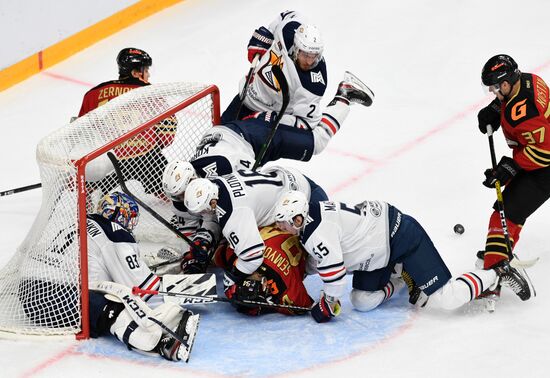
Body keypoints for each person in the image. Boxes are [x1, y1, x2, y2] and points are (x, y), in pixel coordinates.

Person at [273, 191, 531, 323]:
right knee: (361, 301)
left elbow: (334, 276)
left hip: (400, 237)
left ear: (297, 218)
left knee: (446, 299)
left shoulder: (316, 233)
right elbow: (320, 260)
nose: (280, 227)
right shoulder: (311, 218)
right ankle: (399, 275)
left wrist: (327, 305)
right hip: (377, 250)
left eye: (283, 222)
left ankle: (499, 271)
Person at [20, 191, 200, 361]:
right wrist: (180, 287)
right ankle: (161, 343)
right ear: (121, 215)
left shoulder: (80, 221)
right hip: (64, 297)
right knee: (116, 306)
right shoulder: (114, 231)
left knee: (104, 295)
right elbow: (145, 289)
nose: (130, 224)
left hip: (30, 294)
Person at [220, 10, 374, 164]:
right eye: (305, 55)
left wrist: (271, 119)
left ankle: (344, 97)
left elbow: (307, 123)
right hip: (245, 97)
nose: (309, 61)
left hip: (264, 121)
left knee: (241, 162)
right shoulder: (289, 29)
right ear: (296, 47)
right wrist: (265, 35)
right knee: (216, 140)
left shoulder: (312, 85)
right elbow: (285, 15)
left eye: (314, 56)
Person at [182, 167, 328, 298]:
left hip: (303, 205)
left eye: (202, 210)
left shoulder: (234, 213)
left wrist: (232, 278)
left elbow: (253, 256)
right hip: (294, 182)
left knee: (312, 261)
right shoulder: (216, 183)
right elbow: (213, 216)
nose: (202, 214)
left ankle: (329, 296)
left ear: (213, 203)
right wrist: (204, 238)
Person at [477, 54, 550, 282]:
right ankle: (498, 256)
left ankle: (493, 273)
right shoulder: (528, 80)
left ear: (506, 83)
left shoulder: (526, 113)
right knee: (509, 210)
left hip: (545, 167)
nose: (492, 92)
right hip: (540, 159)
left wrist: (511, 167)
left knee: (505, 213)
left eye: (494, 88)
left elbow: (546, 151)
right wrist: (496, 107)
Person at [78, 47, 177, 195]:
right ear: (135, 73)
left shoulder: (93, 94)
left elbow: (79, 133)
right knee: (171, 191)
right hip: (147, 159)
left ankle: (89, 194)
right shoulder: (151, 93)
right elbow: (167, 135)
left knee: (90, 190)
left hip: (106, 162)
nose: (148, 74)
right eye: (146, 70)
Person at [213, 224, 314, 316]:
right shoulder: (230, 255)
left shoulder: (285, 288)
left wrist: (270, 306)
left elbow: (305, 306)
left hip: (300, 237)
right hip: (280, 223)